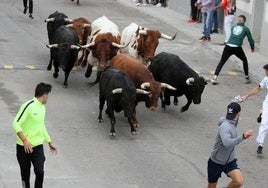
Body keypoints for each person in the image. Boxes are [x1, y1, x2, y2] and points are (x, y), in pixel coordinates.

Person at [13, 83, 57, 188]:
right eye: (48, 95)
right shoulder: (28, 106)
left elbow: (41, 126)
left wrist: (49, 141)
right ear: (44, 95)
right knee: (25, 175)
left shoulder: (42, 108)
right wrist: (24, 140)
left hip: (37, 146)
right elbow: (15, 123)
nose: (48, 98)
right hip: (23, 147)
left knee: (40, 171)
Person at [207, 102, 253, 188]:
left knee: (238, 181)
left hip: (229, 161)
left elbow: (235, 119)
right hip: (216, 162)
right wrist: (243, 137)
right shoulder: (225, 126)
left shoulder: (234, 122)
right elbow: (227, 143)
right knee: (211, 187)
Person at [212, 15, 254, 84]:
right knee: (244, 60)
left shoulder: (234, 27)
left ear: (238, 20)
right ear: (244, 21)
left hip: (228, 46)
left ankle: (215, 77)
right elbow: (250, 39)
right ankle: (246, 77)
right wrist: (252, 48)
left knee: (222, 62)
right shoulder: (246, 29)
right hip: (237, 47)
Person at [242, 64, 268, 155]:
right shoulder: (266, 79)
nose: (265, 73)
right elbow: (257, 89)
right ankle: (260, 144)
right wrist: (247, 96)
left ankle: (262, 113)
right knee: (264, 124)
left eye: (266, 71)